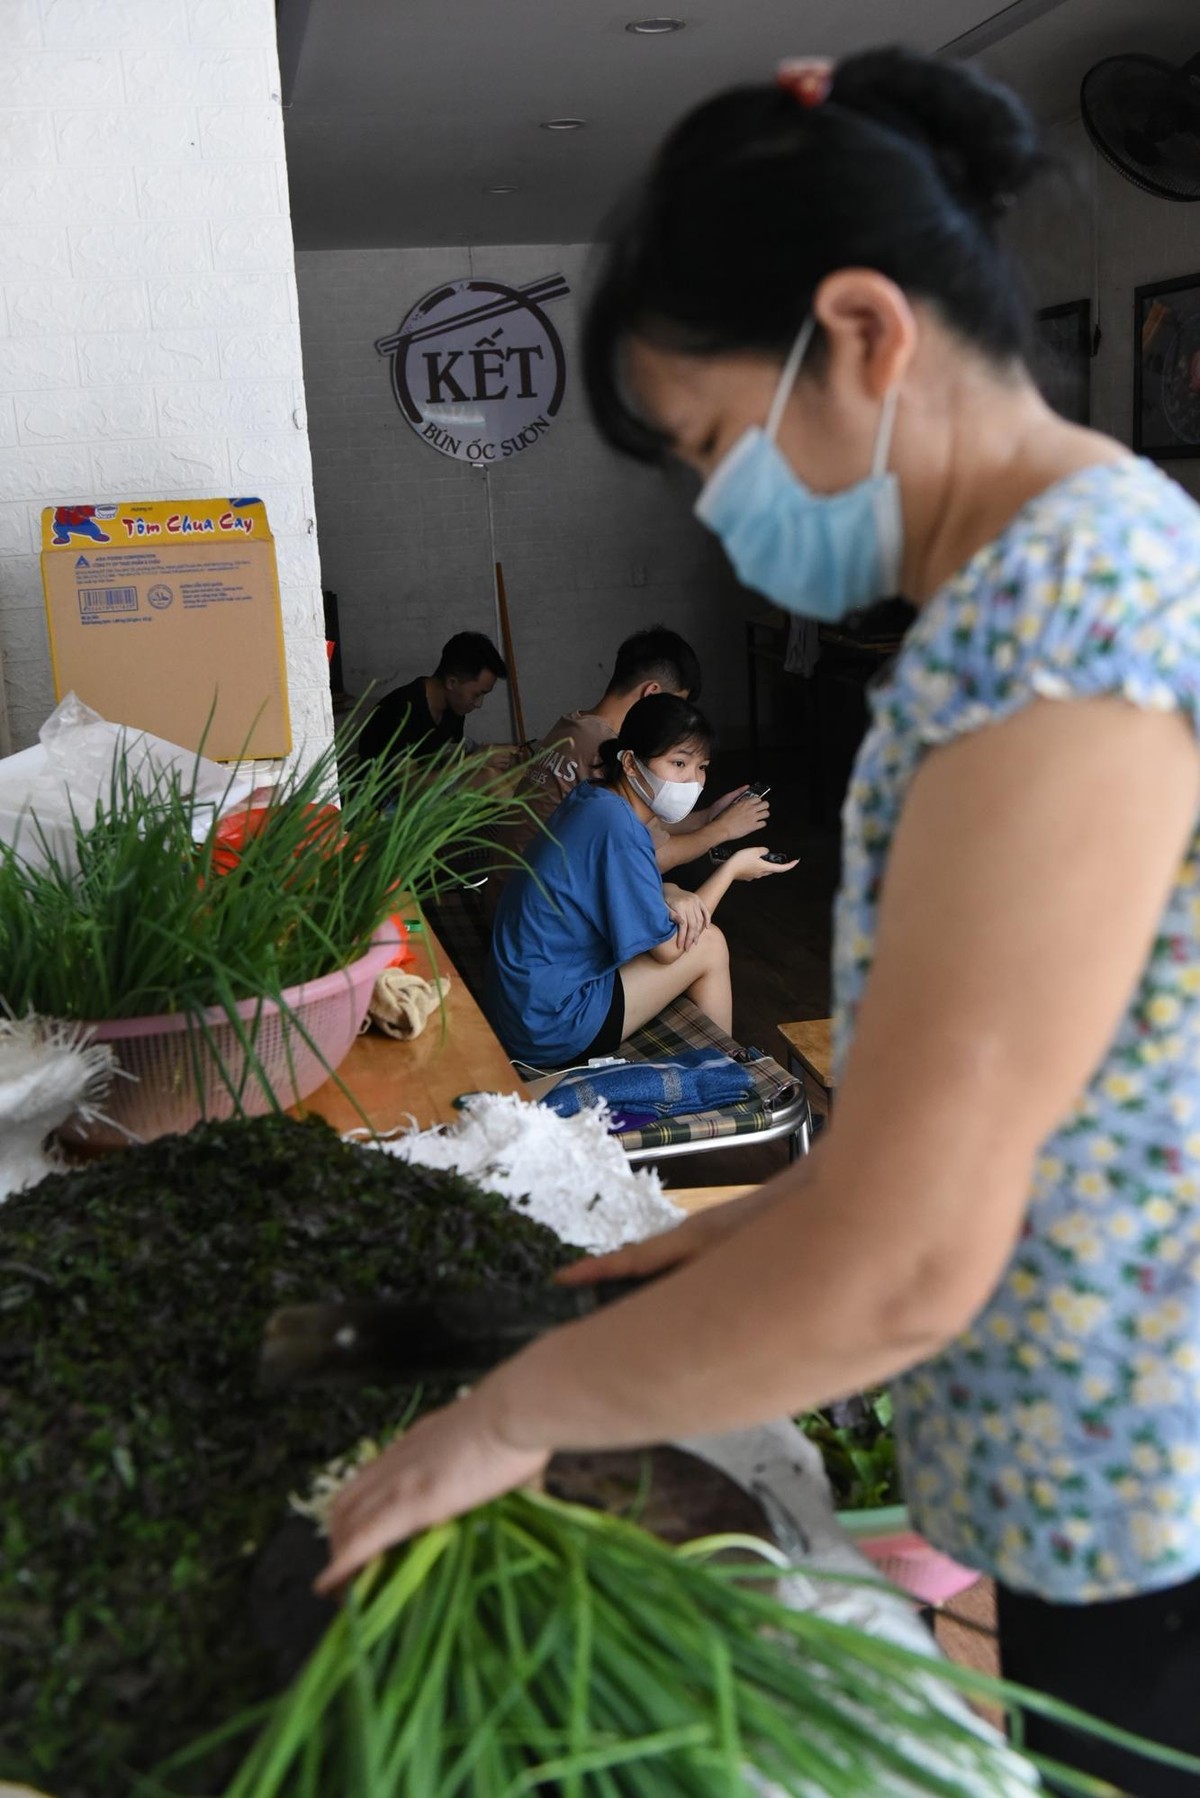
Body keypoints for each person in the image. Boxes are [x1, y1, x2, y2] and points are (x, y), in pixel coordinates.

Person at [318, 47, 1200, 1794]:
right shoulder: (1036, 594)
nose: (716, 504)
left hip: (1145, 1477)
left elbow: (909, 1261)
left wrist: (512, 1415)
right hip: (1085, 1444)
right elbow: (1011, 1105)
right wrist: (736, 1233)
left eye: (718, 444)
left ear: (866, 332)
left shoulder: (1061, 639)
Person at [484, 693, 795, 1068]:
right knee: (708, 943)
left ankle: (716, 1062)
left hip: (519, 1003)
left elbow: (622, 878)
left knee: (688, 923)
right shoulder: (617, 825)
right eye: (678, 763)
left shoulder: (594, 798)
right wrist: (730, 870)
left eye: (702, 767)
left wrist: (671, 889)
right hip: (550, 1025)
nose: (693, 780)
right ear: (630, 763)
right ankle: (720, 1076)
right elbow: (668, 949)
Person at [491, 627, 769, 906]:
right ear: (651, 694)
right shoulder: (605, 750)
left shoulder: (573, 727)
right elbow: (650, 857)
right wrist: (723, 832)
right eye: (679, 762)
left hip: (508, 894)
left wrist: (708, 817)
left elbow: (644, 826)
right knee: (689, 883)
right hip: (537, 910)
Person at [356, 631, 507, 783]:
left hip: (427, 795)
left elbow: (446, 766)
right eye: (477, 694)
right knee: (489, 778)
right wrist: (472, 762)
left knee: (504, 774)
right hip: (383, 800)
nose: (479, 704)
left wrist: (484, 756)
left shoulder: (454, 708)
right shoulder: (401, 709)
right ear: (452, 683)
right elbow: (409, 789)